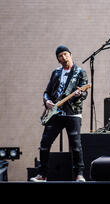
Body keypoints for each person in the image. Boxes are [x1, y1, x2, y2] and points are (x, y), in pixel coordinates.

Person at [30, 45, 89, 182]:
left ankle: (79, 174)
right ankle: (42, 175)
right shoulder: (56, 73)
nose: (63, 58)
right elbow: (47, 92)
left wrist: (80, 94)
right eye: (60, 56)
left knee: (75, 145)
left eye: (65, 54)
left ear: (70, 55)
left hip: (73, 113)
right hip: (55, 113)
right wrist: (47, 101)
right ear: (58, 59)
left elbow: (85, 92)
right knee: (45, 144)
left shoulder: (80, 72)